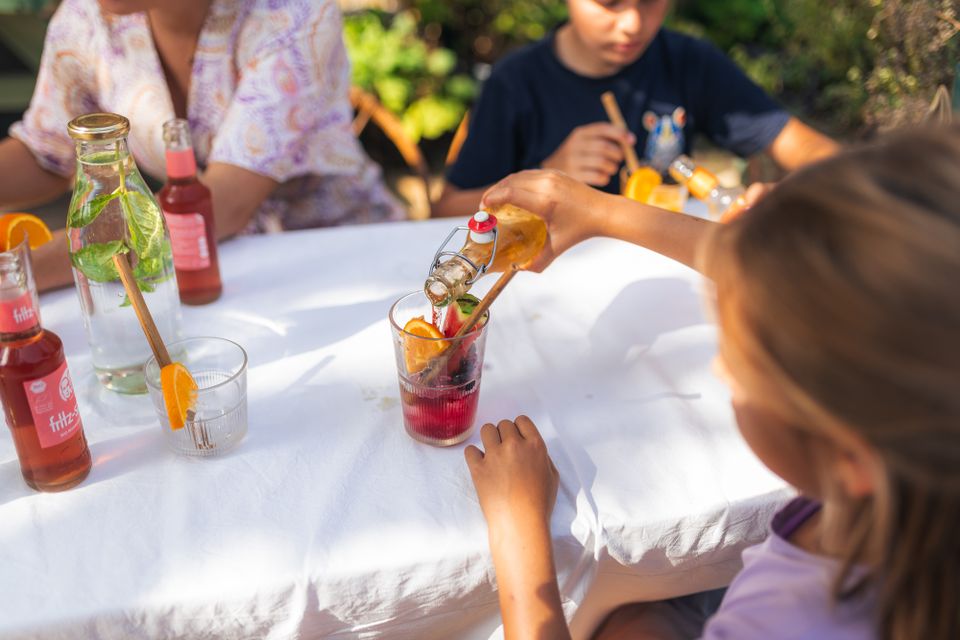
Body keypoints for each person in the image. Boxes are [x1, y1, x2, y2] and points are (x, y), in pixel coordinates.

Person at [465, 124, 960, 640]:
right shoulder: (911, 454)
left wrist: (516, 531)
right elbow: (799, 284)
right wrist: (600, 212)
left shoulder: (784, 624)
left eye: (739, 362)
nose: (722, 369)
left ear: (852, 456)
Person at [1, 0, 404, 291]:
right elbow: (48, 154)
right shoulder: (85, 18)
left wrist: (20, 271)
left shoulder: (293, 13)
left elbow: (220, 207)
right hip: (194, 269)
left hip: (345, 264)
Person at [434, 0, 839, 218]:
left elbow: (810, 149)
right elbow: (445, 209)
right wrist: (543, 177)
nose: (632, 22)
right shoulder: (516, 81)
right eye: (609, 2)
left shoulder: (688, 62)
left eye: (650, 0)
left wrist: (787, 197)